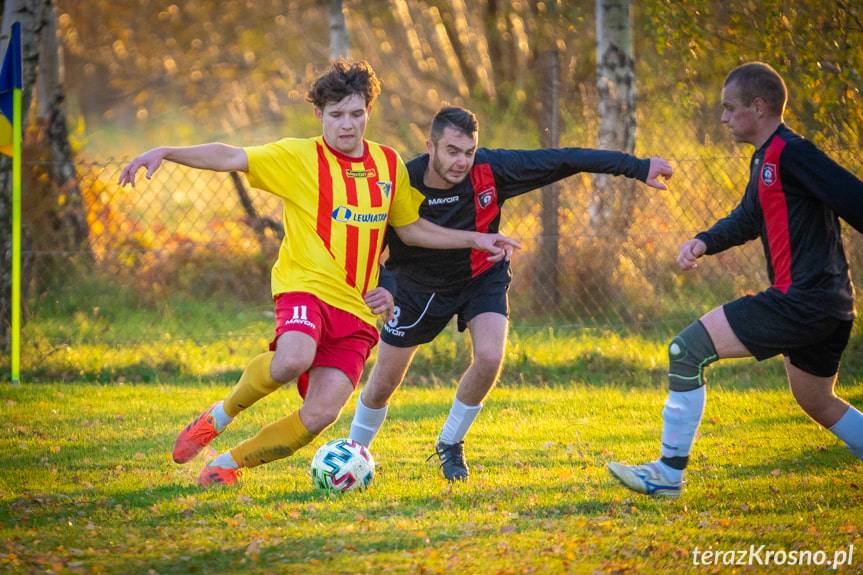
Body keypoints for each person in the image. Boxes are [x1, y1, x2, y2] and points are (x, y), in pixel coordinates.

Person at [117, 60, 518, 487]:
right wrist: (166, 152)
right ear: (320, 116)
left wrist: (475, 240)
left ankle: (227, 466)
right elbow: (231, 155)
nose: (347, 125)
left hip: (358, 310)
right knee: (293, 358)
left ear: (368, 112)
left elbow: (412, 231)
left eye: (356, 114)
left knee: (322, 415)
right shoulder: (298, 156)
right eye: (337, 115)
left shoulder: (388, 165)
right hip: (304, 288)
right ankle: (220, 415)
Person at [348, 105, 674, 481]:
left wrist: (638, 167)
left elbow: (566, 160)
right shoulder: (402, 181)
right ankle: (354, 455)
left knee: (489, 357)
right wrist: (384, 289)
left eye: (468, 152)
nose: (461, 162)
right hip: (419, 289)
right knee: (382, 385)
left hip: (481, 277)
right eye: (452, 151)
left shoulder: (491, 169)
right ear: (430, 146)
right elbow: (377, 247)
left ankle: (450, 444)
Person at [608, 62, 863, 498]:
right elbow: (750, 217)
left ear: (759, 107)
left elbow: (855, 200)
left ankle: (667, 474)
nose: (723, 118)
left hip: (804, 300)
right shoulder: (766, 157)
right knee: (817, 400)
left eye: (729, 108)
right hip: (826, 304)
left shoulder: (794, 153)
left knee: (685, 350)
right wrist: (704, 241)